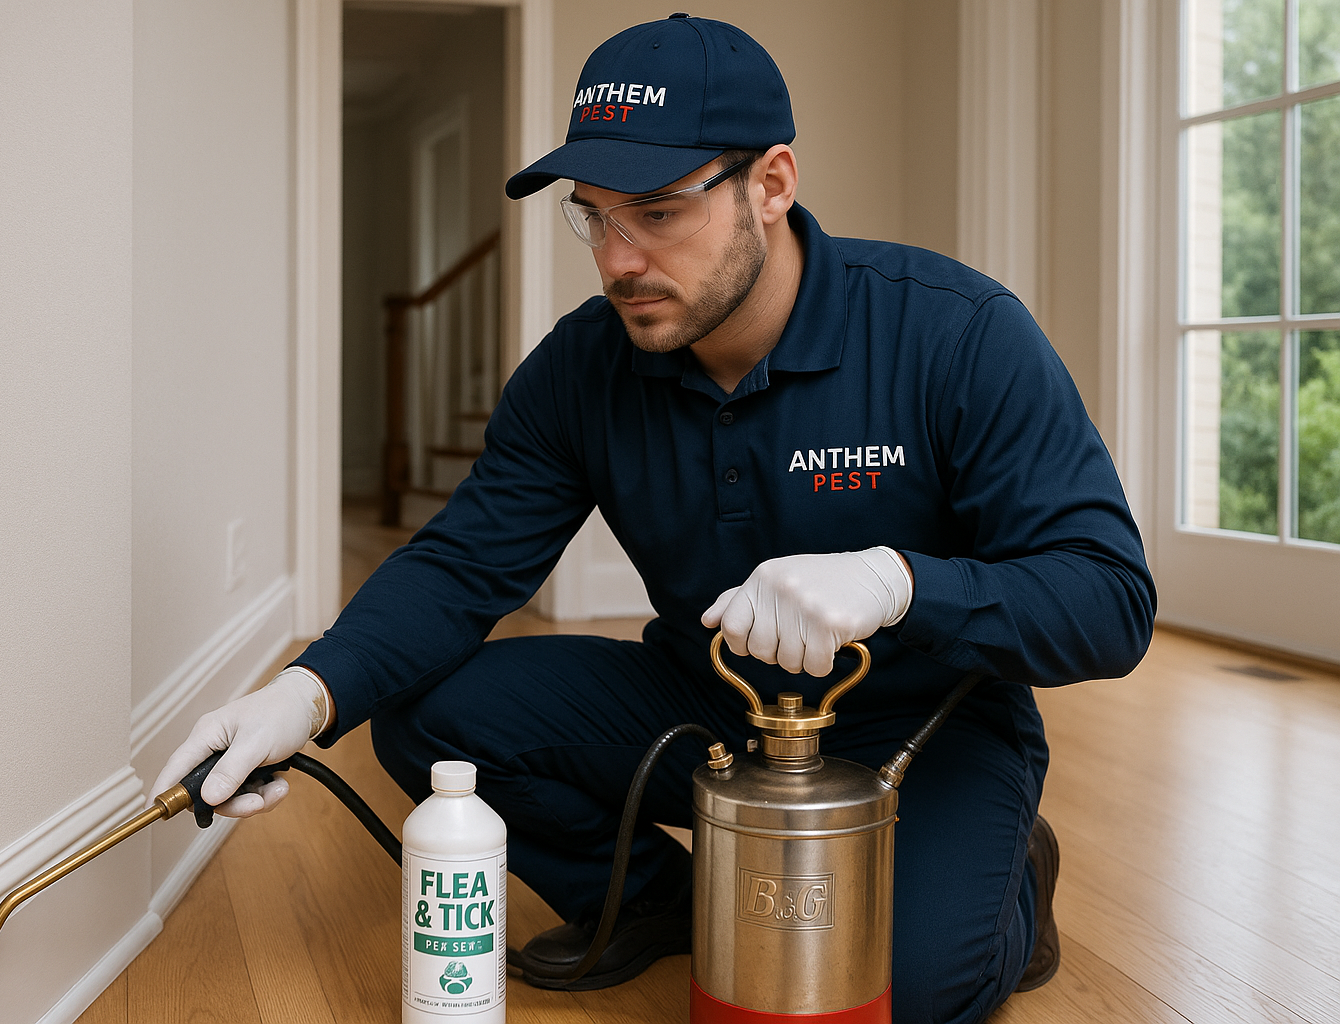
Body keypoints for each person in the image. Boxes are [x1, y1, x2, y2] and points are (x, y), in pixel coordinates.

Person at [152, 14, 1155, 1023]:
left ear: (771, 184)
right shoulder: (583, 368)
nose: (620, 259)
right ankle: (650, 900)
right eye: (594, 215)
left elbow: (1108, 598)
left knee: (901, 993)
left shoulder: (956, 333)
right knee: (428, 716)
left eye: (660, 212)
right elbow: (463, 564)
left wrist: (897, 580)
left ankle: (1011, 866)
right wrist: (304, 693)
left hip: (922, 731)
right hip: (707, 709)